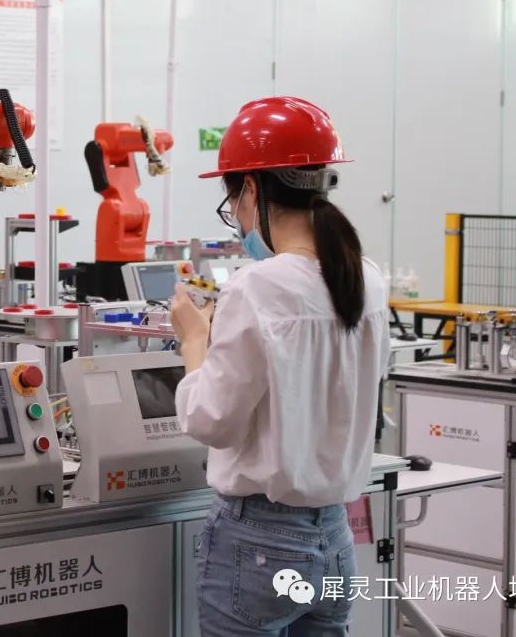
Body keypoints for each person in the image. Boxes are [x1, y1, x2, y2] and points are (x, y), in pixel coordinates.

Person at [170, 96, 390, 636]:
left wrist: (194, 342)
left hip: (258, 542)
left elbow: (212, 422)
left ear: (251, 189)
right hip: (335, 536)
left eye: (233, 202)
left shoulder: (257, 286)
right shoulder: (367, 278)